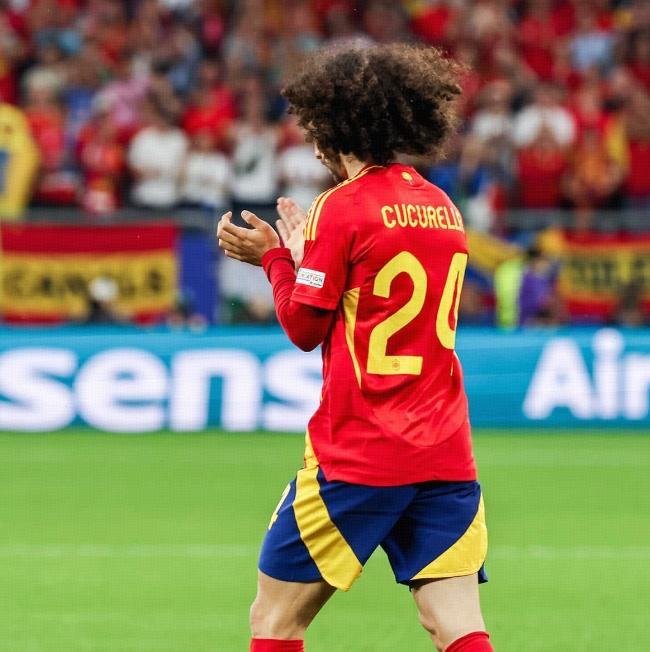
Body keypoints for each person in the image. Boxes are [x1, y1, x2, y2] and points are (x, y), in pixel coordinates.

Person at [217, 44, 493, 652]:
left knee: (275, 619)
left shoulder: (340, 208)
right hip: (445, 452)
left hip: (361, 452)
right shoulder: (442, 207)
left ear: (333, 126)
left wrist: (274, 261)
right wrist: (305, 259)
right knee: (455, 624)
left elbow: (304, 328)